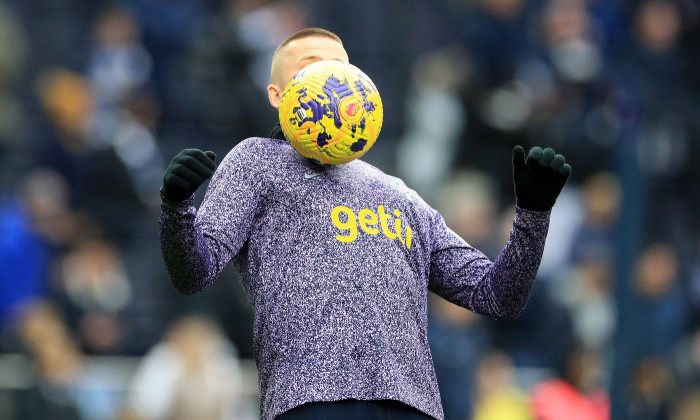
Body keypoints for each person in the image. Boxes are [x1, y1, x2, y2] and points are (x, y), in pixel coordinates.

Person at [159, 27, 571, 420]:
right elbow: (194, 272)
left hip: (413, 405)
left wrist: (533, 215)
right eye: (310, 64)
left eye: (339, 66)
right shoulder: (257, 161)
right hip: (309, 400)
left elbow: (498, 296)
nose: (328, 75)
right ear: (277, 95)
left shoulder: (396, 193)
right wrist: (177, 207)